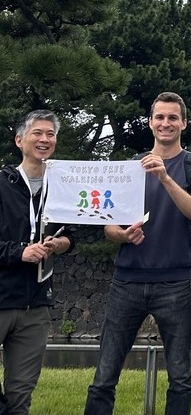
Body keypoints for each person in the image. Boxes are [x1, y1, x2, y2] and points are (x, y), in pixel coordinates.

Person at [84, 92, 191, 415]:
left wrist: (165, 178)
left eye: (173, 117)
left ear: (183, 123)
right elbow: (109, 227)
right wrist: (123, 235)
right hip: (126, 281)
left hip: (174, 284)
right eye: (160, 117)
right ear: (150, 122)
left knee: (180, 376)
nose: (165, 123)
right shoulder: (130, 167)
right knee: (104, 375)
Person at [0, 110, 74, 415]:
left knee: (20, 395)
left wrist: (60, 244)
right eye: (38, 133)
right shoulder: (3, 183)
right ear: (20, 140)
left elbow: (71, 235)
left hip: (36, 305)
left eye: (51, 134)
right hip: (1, 297)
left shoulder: (61, 187)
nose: (45, 140)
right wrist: (20, 252)